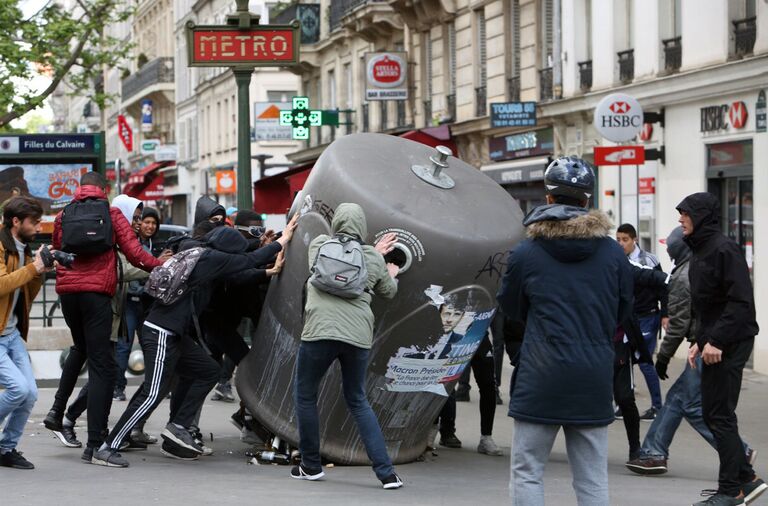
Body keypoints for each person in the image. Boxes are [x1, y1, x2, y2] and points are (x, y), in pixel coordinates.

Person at [96, 217, 297, 467]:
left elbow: (238, 273)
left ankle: (179, 426)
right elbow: (248, 260)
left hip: (174, 333)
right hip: (161, 332)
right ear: (227, 250)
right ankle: (107, 447)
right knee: (153, 392)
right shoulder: (211, 258)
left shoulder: (199, 255)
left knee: (208, 370)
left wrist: (269, 271)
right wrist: (283, 239)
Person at [497, 156, 633, 506]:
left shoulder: (526, 253)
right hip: (592, 375)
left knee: (528, 471)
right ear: (588, 200)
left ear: (548, 199)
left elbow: (510, 309)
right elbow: (624, 311)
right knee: (591, 477)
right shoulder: (613, 254)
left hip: (540, 372)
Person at [43, 172, 164, 460]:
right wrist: (161, 266)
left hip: (69, 295)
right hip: (97, 295)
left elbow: (58, 250)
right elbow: (134, 253)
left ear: (80, 189)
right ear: (105, 189)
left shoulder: (63, 215)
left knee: (83, 350)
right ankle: (96, 446)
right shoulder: (111, 214)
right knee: (103, 369)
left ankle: (59, 412)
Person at [625, 226, 755, 476]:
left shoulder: (684, 276)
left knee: (692, 404)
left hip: (708, 345)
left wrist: (663, 358)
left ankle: (738, 452)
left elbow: (679, 323)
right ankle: (654, 452)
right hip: (706, 343)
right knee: (680, 399)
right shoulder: (694, 267)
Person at [292, 203, 403, 490]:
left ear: (337, 223)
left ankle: (310, 466)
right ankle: (387, 473)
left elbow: (323, 272)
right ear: (363, 228)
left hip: (319, 332)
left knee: (305, 395)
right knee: (357, 399)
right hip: (357, 337)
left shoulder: (319, 245)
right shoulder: (371, 258)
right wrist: (387, 269)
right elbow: (387, 292)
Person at [677, 192, 765, 506]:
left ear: (700, 216)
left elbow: (741, 303)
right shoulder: (700, 249)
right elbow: (707, 306)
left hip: (731, 341)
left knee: (719, 414)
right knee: (714, 413)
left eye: (685, 214)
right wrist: (698, 341)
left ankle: (731, 491)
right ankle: (746, 479)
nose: (680, 219)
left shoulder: (724, 249)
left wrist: (716, 341)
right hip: (715, 340)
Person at [0, 197, 49, 469]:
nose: (38, 226)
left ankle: (6, 449)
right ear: (16, 221)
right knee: (17, 389)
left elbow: (26, 293)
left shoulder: (25, 250)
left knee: (29, 393)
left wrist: (40, 272)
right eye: (34, 221)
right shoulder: (0, 246)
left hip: (11, 334)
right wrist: (33, 268)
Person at [616, 223, 668, 420]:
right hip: (626, 318)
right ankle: (624, 404)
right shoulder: (617, 260)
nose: (621, 244)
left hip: (648, 316)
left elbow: (663, 286)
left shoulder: (649, 259)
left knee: (645, 361)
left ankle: (657, 407)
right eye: (618, 240)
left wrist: (665, 314)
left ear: (634, 239)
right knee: (623, 361)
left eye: (625, 240)